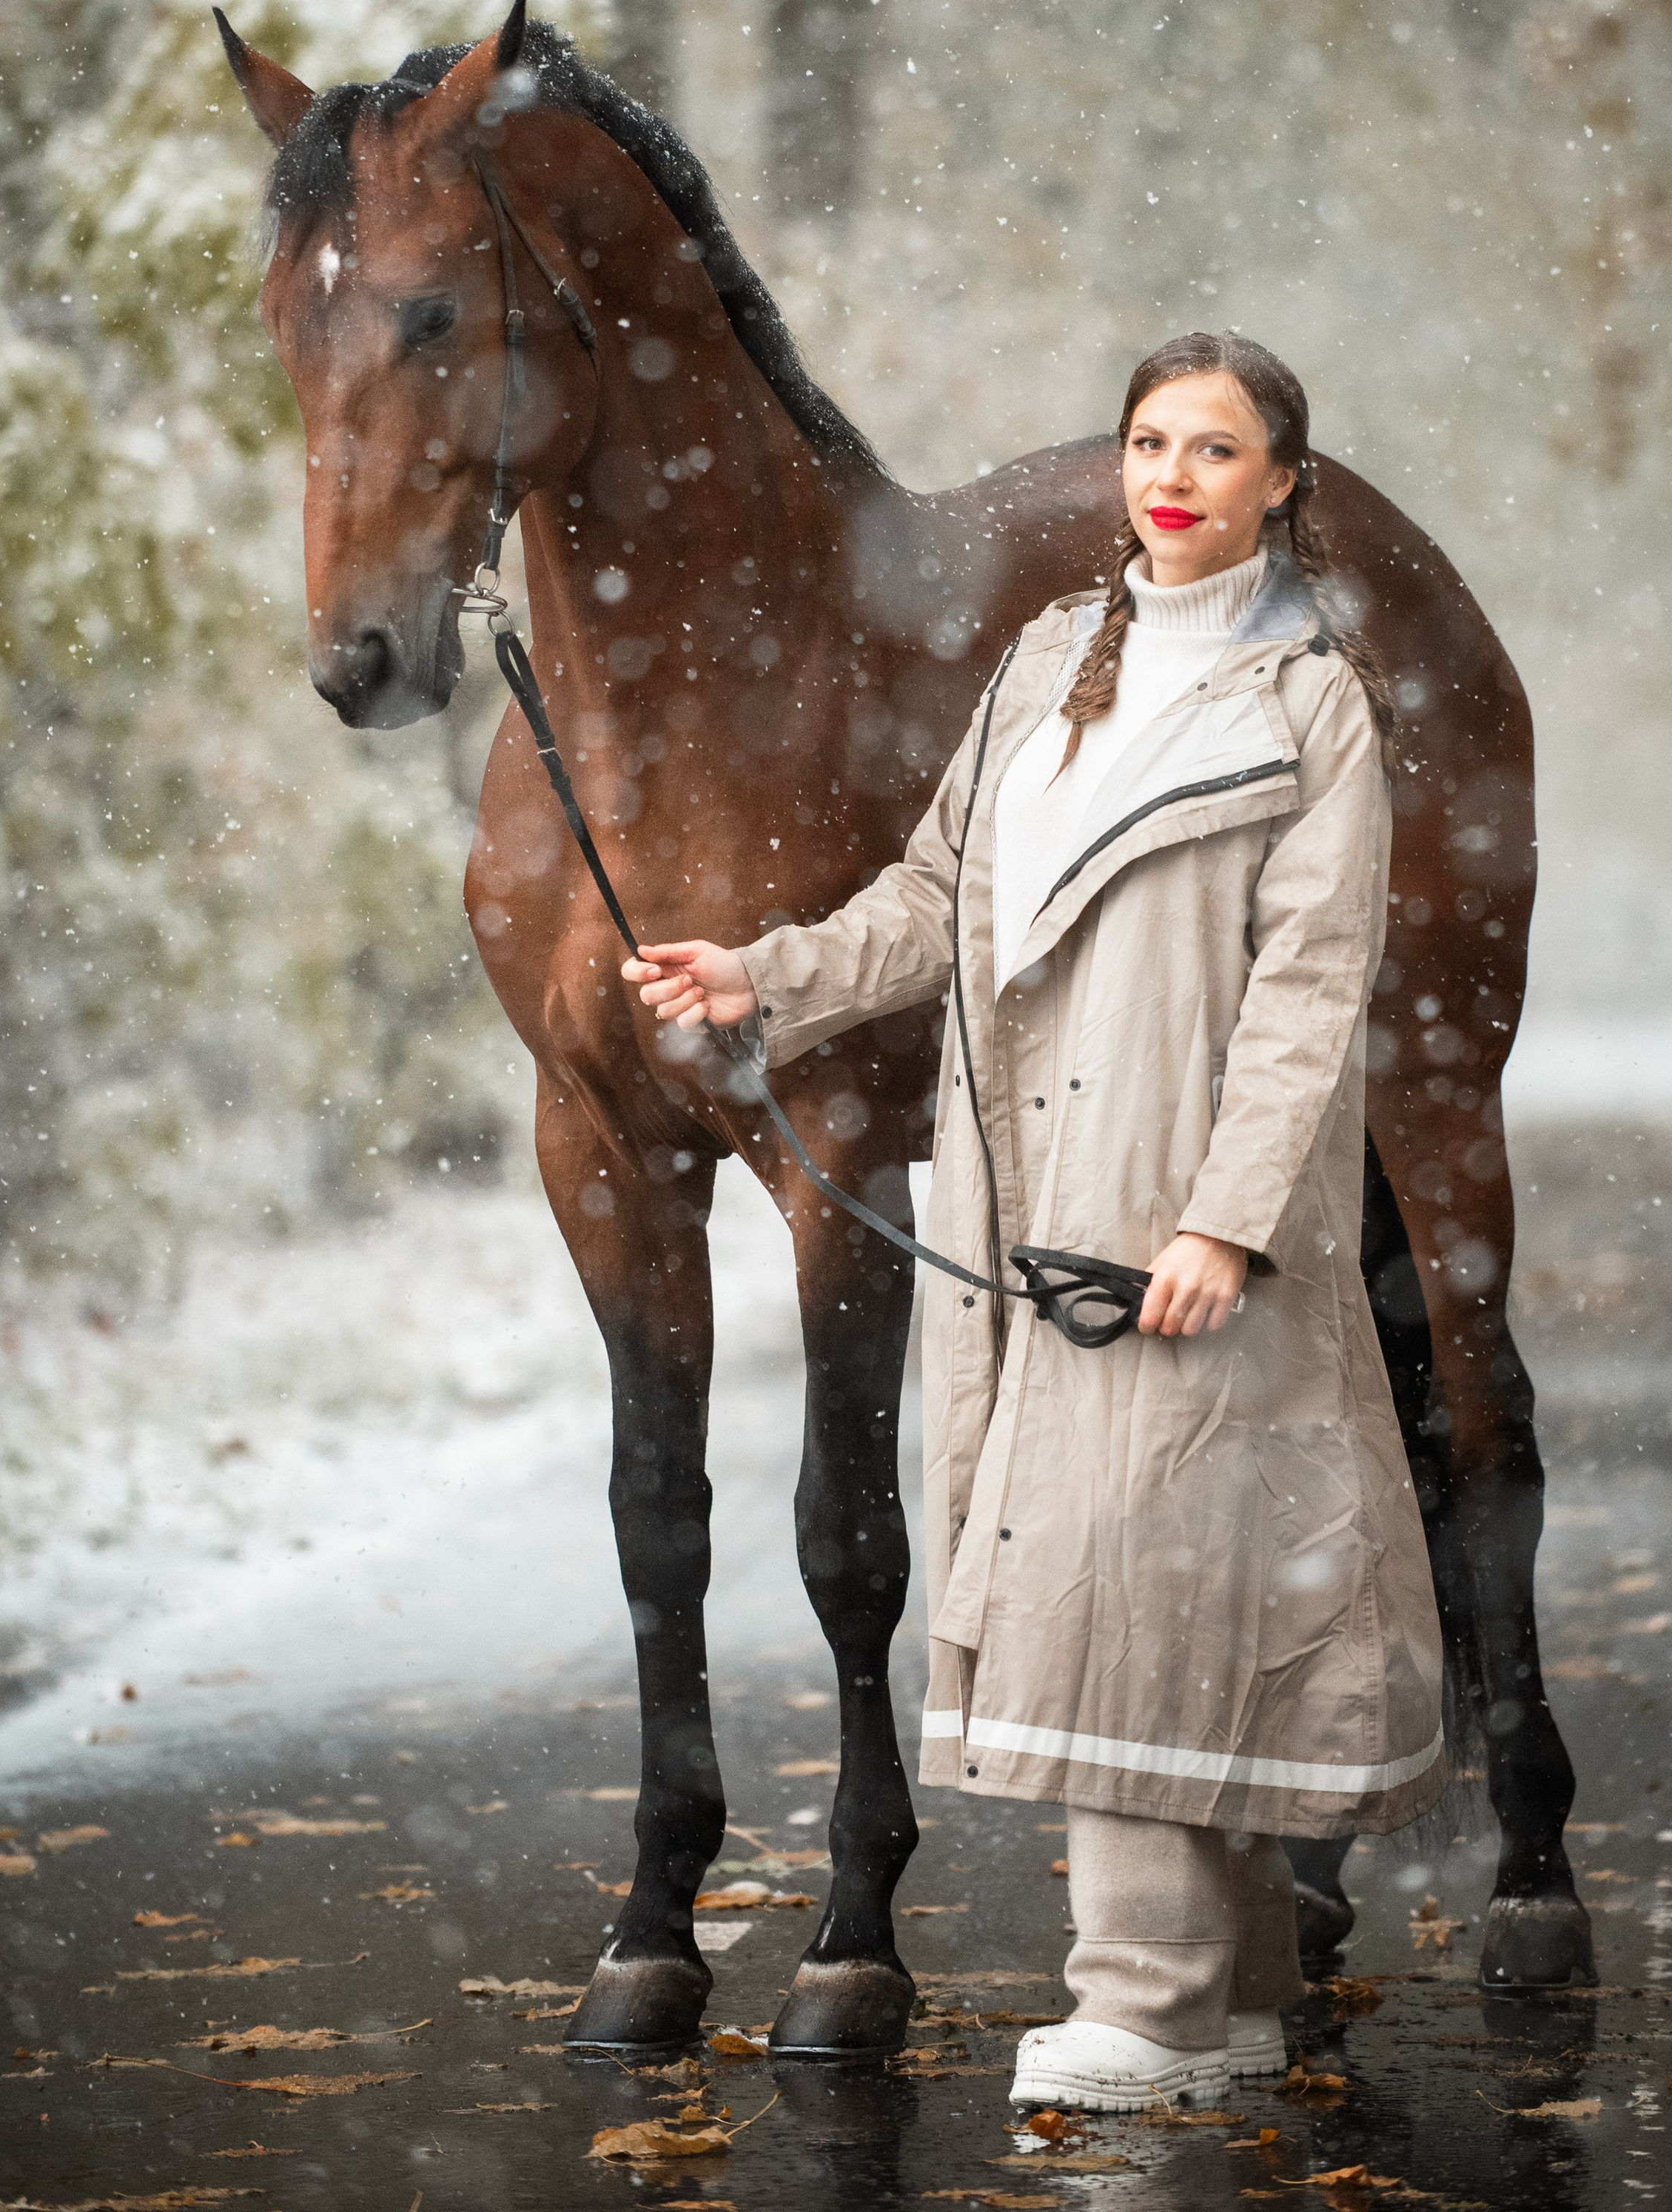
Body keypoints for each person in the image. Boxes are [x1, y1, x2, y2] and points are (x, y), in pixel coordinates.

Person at [623, 332, 1446, 2111]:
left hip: (1187, 1191)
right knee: (1166, 1561)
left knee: (1147, 1564)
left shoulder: (1311, 697)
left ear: (1280, 480)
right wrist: (760, 976)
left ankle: (1134, 1995)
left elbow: (1313, 988)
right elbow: (938, 897)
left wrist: (1225, 1218)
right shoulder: (1044, 660)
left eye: (1216, 449)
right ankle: (1223, 1993)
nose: (1170, 473)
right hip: (1034, 1190)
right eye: (1150, 439)